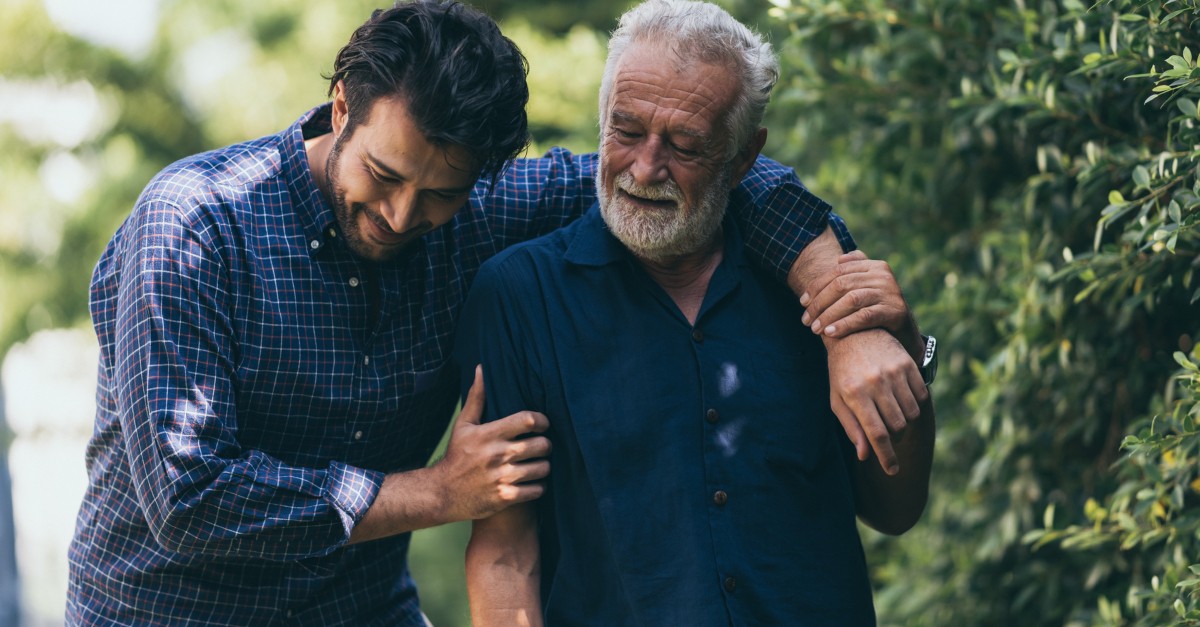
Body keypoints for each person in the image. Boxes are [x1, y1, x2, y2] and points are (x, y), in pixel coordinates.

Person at [67, 1, 922, 625]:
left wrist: (845, 312)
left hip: (359, 612)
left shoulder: (483, 207)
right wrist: (438, 490)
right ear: (340, 108)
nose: (402, 217)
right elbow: (190, 496)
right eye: (385, 175)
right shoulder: (194, 225)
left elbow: (705, 175)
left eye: (438, 193)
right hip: (163, 613)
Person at [453, 1, 937, 624]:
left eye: (685, 145)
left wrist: (902, 345)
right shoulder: (519, 295)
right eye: (625, 132)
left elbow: (894, 510)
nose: (646, 168)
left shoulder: (817, 287)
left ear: (743, 158)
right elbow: (504, 554)